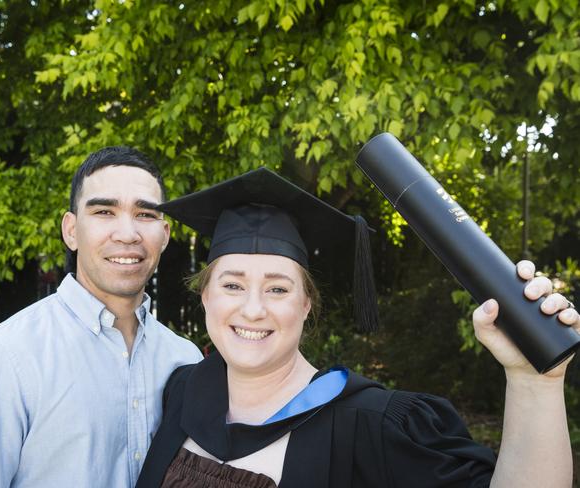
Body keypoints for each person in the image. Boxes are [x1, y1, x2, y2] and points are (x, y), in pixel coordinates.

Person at [136, 167, 578, 487]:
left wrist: (533, 381)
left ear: (306, 304)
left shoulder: (371, 425)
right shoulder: (182, 394)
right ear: (206, 296)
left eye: (277, 289)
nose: (252, 310)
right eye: (232, 285)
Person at [0, 146, 203, 487]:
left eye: (146, 215)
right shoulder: (1, 361)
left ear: (164, 235)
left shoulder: (184, 359)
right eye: (105, 211)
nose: (127, 233)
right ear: (71, 231)